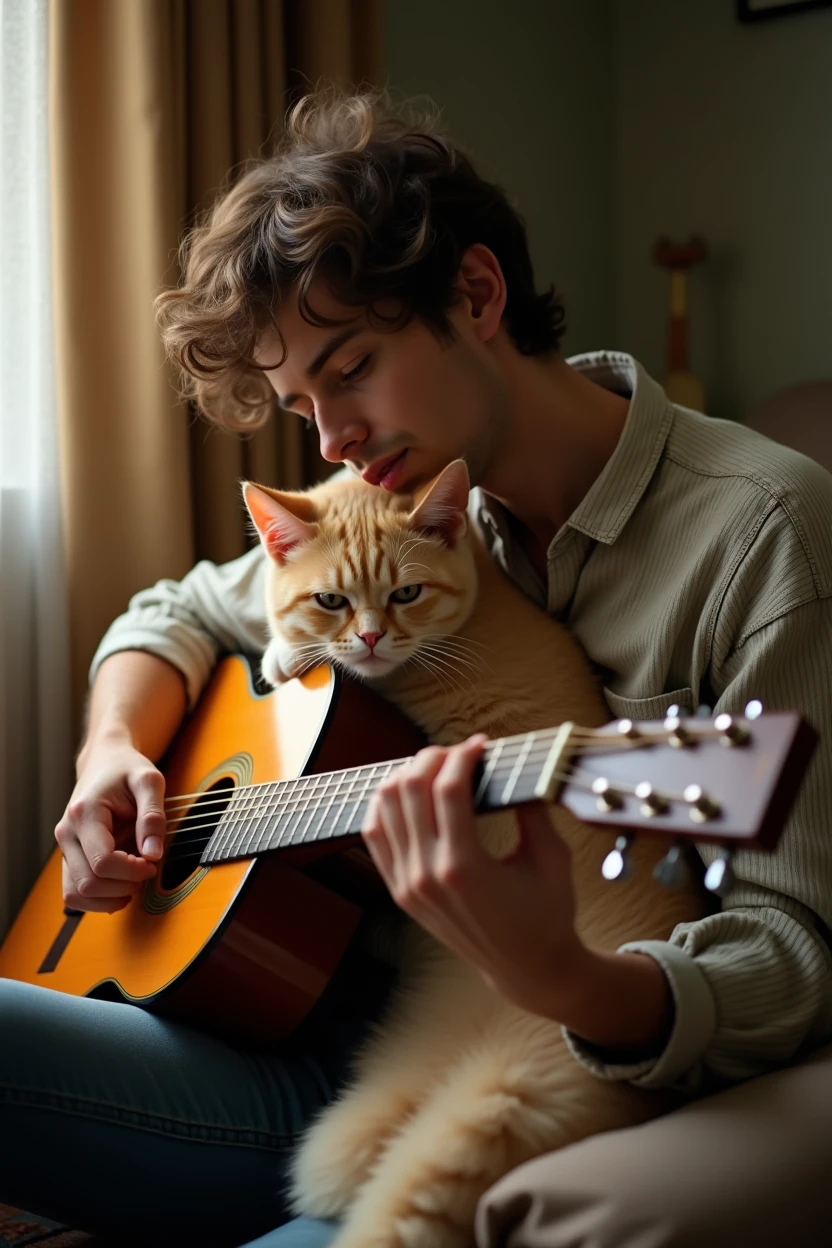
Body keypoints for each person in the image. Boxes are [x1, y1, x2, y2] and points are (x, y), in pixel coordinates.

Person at [2, 88, 832, 1248]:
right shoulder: (385, 501)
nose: (331, 439)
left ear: (477, 296)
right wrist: (110, 758)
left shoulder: (766, 535)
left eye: (350, 369)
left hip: (519, 1059)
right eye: (301, 406)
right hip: (323, 1032)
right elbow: (172, 612)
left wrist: (566, 976)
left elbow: (795, 956)